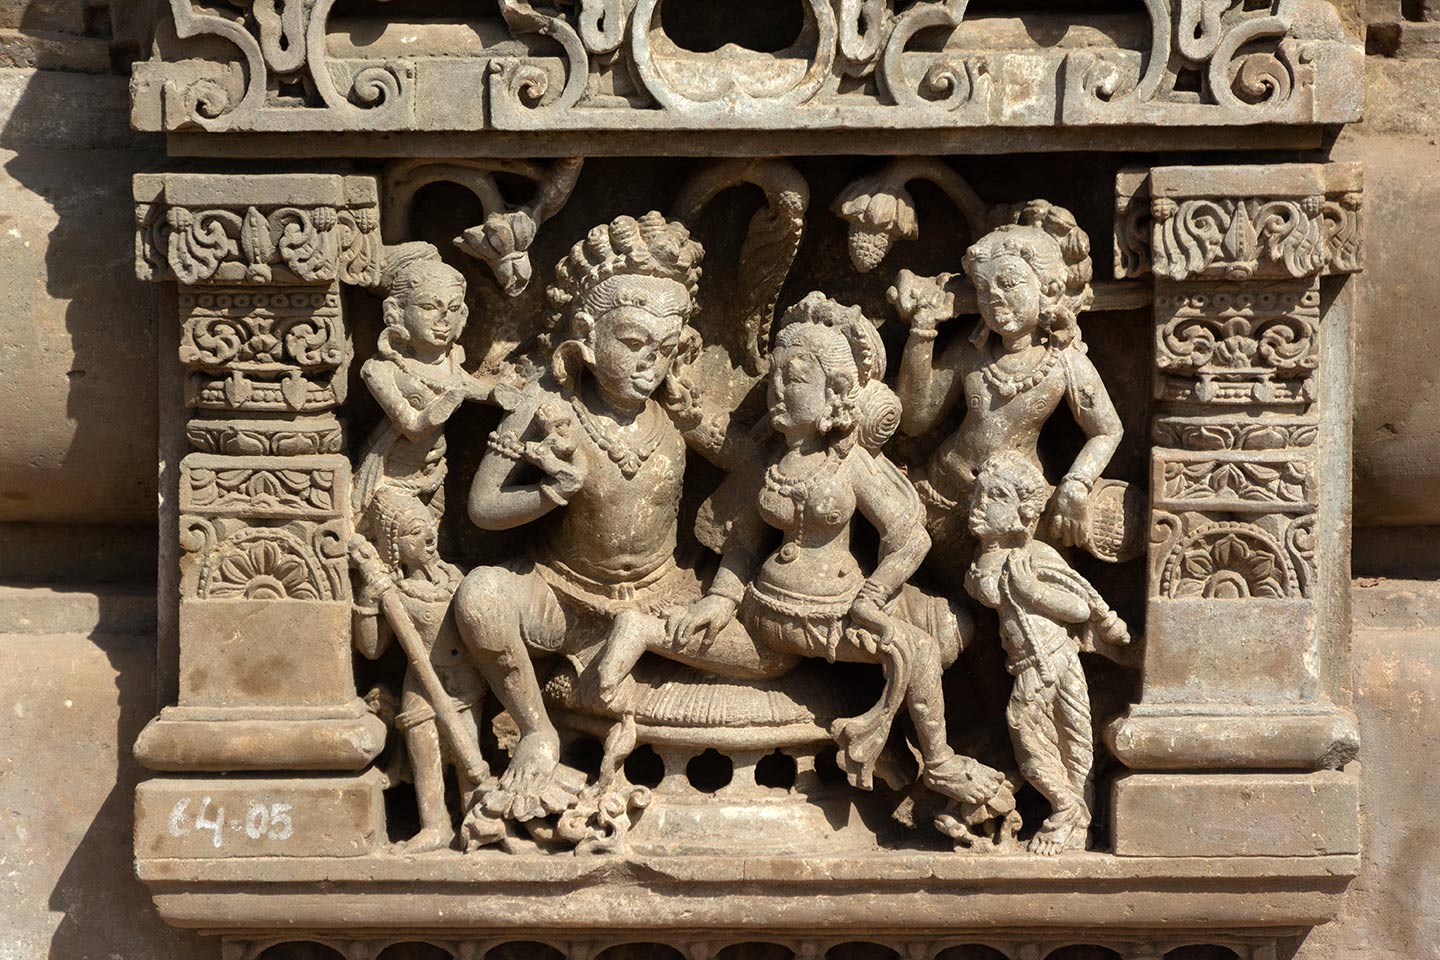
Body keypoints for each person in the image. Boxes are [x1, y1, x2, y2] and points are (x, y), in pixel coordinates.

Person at [591, 292, 1015, 824]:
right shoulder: (772, 462)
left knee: (931, 643)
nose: (777, 391)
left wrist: (873, 596)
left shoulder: (850, 463)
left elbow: (910, 538)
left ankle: (931, 758)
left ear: (835, 393)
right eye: (775, 377)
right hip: (768, 613)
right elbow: (744, 542)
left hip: (838, 611)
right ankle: (641, 632)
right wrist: (720, 598)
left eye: (794, 380)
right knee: (769, 650)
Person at [891, 201, 1122, 576]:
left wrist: (1077, 483)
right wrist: (922, 333)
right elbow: (916, 421)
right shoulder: (970, 353)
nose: (994, 297)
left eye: (1010, 284)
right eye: (983, 289)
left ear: (1047, 289)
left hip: (1013, 509)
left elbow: (1108, 430)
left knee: (1029, 582)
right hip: (941, 492)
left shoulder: (1063, 362)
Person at [964, 452, 1130, 855]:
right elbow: (984, 590)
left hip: (1049, 659)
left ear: (1024, 515)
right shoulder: (986, 560)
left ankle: (1064, 806)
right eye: (978, 494)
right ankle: (1077, 820)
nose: (980, 505)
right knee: (1069, 741)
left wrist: (1032, 592)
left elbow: (1080, 606)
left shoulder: (1035, 556)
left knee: (1029, 727)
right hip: (1026, 663)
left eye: (996, 497)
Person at [351, 487, 491, 854]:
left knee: (468, 755)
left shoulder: (458, 577)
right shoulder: (396, 591)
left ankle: (477, 819)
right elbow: (371, 648)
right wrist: (368, 597)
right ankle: (434, 825)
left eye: (429, 527)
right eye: (415, 532)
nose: (428, 537)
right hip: (420, 689)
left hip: (463, 683)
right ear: (394, 547)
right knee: (424, 755)